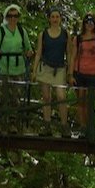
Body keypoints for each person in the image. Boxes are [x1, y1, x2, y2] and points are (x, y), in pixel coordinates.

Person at [0, 3, 34, 132]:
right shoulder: (1, 30)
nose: (13, 18)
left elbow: (28, 46)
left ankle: (13, 123)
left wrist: (29, 52)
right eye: (10, 16)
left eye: (16, 16)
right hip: (4, 67)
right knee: (1, 95)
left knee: (16, 96)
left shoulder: (21, 31)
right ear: (6, 17)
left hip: (18, 68)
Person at [32, 8, 71, 136]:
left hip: (59, 69)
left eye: (57, 17)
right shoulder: (43, 34)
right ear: (49, 19)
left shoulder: (65, 34)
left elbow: (69, 53)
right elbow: (38, 53)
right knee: (46, 98)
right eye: (53, 17)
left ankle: (64, 126)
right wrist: (34, 70)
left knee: (61, 97)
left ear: (60, 19)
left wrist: (70, 71)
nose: (55, 19)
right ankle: (47, 125)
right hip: (45, 68)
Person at [70, 13, 95, 135]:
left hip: (93, 74)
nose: (89, 24)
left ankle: (91, 128)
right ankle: (83, 126)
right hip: (79, 72)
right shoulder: (78, 39)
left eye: (92, 22)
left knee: (90, 102)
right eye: (87, 22)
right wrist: (70, 74)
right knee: (81, 101)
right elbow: (73, 57)